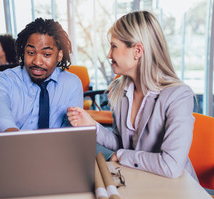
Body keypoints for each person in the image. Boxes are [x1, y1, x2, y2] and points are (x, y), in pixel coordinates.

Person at [67, 11, 198, 180]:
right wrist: (92, 125)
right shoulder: (119, 90)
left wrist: (122, 156)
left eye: (114, 46)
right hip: (142, 181)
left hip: (178, 189)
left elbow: (171, 165)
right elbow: (123, 143)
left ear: (137, 50)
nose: (108, 54)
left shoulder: (178, 96)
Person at [0, 18, 83, 132]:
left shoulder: (72, 83)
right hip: (13, 146)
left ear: (59, 55)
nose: (37, 62)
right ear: (23, 52)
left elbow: (73, 130)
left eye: (46, 54)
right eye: (30, 52)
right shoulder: (0, 80)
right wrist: (13, 136)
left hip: (56, 148)